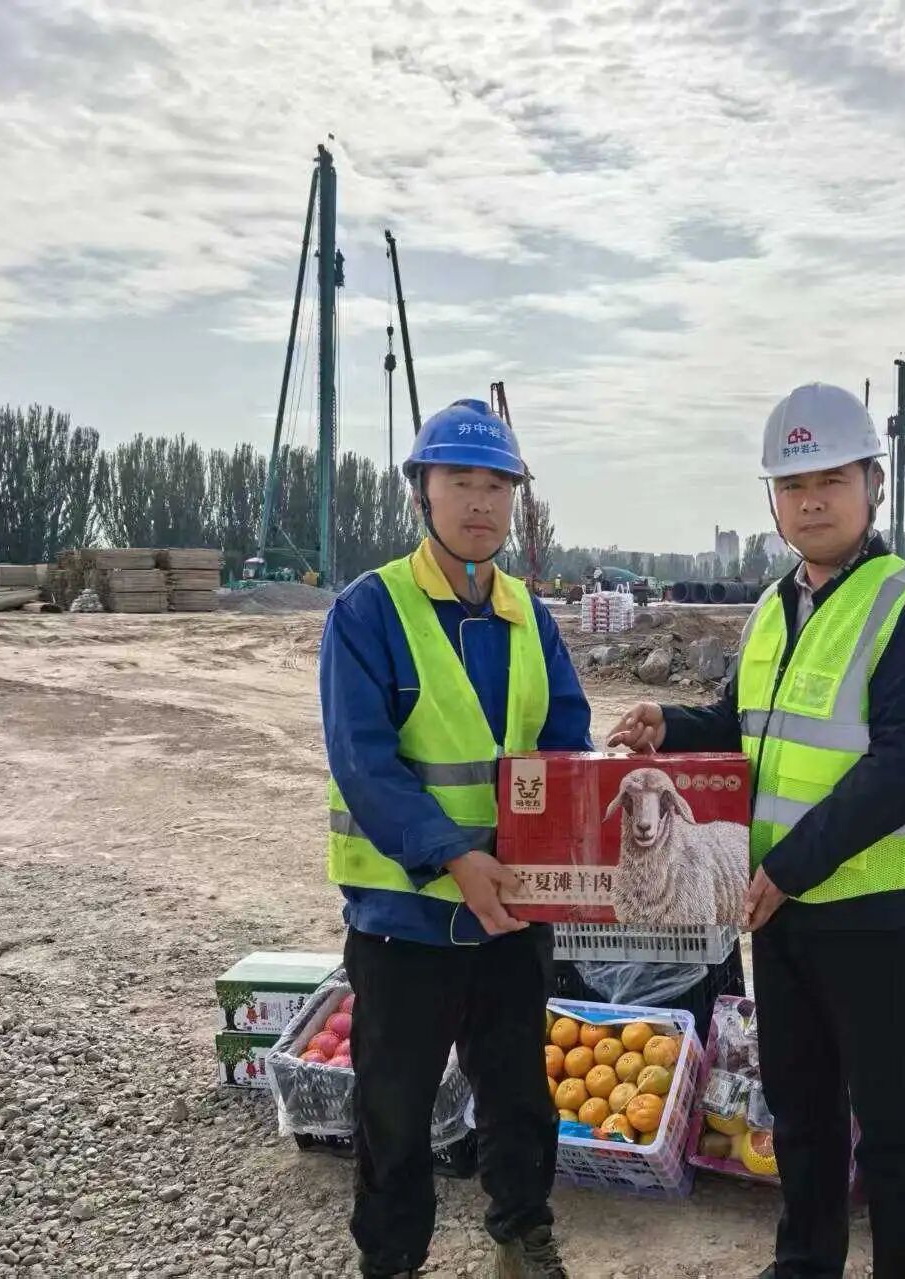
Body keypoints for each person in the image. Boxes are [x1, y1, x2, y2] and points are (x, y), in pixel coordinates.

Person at [609, 383, 905, 1279]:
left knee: (890, 1123)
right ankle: (804, 1263)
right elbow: (744, 725)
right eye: (793, 484)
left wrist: (791, 867)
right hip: (781, 907)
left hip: (875, 908)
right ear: (772, 499)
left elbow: (903, 766)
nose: (811, 501)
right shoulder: (774, 607)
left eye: (830, 479)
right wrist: (671, 724)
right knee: (800, 1111)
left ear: (872, 484)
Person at [320, 398, 589, 1279]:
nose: (480, 501)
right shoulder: (371, 611)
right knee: (394, 1111)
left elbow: (564, 739)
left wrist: (577, 837)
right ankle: (393, 1258)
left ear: (516, 500)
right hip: (407, 917)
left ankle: (522, 1235)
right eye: (460, 481)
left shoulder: (529, 615)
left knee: (520, 1095)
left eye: (497, 486)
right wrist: (452, 854)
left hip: (512, 912)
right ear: (420, 493)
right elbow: (364, 761)